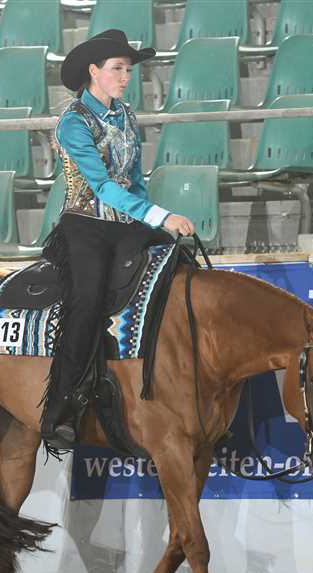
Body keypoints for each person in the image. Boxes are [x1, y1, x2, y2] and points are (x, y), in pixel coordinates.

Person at [40, 29, 196, 449]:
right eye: (117, 69)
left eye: (128, 70)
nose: (126, 77)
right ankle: (62, 410)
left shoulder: (125, 114)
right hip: (85, 227)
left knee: (178, 266)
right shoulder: (74, 122)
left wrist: (155, 223)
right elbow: (104, 187)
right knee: (87, 303)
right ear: (94, 71)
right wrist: (162, 216)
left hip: (126, 223)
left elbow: (135, 181)